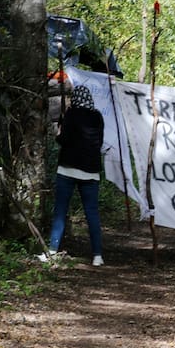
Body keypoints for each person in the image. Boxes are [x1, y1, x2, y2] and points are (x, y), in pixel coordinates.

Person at [43, 84, 105, 266]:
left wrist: (59, 131)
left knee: (60, 211)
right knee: (92, 214)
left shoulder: (70, 115)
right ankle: (97, 256)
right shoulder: (97, 117)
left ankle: (52, 251)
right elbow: (100, 142)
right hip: (91, 172)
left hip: (68, 169)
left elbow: (63, 139)